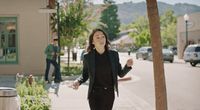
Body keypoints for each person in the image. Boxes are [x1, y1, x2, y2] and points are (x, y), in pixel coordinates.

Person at [72, 28, 133, 110]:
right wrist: (78, 81)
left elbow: (120, 74)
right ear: (93, 42)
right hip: (94, 94)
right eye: (97, 37)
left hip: (109, 93)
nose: (101, 39)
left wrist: (127, 66)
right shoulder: (88, 57)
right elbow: (85, 75)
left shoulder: (113, 54)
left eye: (103, 36)